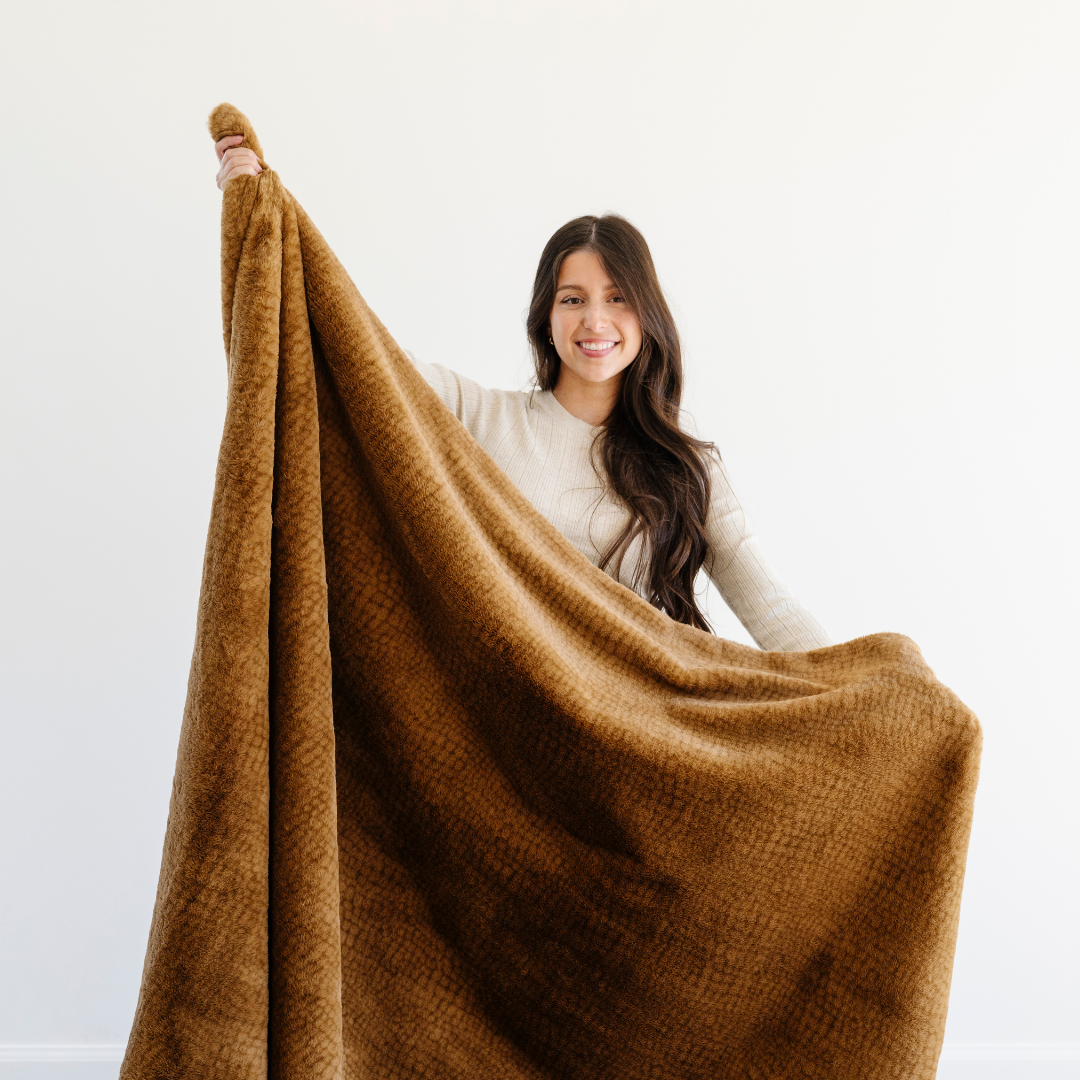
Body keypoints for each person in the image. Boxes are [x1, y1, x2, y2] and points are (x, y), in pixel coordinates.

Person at [215, 136, 831, 651]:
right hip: (513, 738)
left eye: (618, 298)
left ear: (648, 317)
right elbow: (347, 346)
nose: (595, 321)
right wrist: (262, 213)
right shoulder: (478, 417)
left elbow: (771, 611)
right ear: (546, 317)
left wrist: (867, 692)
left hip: (640, 736)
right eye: (573, 299)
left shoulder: (689, 468)